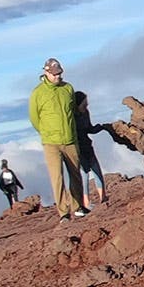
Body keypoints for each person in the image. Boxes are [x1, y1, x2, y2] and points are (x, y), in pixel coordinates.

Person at [28, 58, 88, 220]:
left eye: (59, 73)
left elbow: (72, 112)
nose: (57, 76)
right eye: (54, 74)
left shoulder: (68, 88)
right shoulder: (38, 93)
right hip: (51, 143)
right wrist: (46, 133)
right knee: (57, 178)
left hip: (70, 139)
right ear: (46, 72)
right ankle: (63, 213)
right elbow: (34, 118)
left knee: (76, 174)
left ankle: (78, 207)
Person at [69, 89, 107, 208]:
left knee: (97, 171)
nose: (86, 106)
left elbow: (89, 128)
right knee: (84, 174)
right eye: (84, 104)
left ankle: (103, 197)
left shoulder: (85, 113)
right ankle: (86, 202)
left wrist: (102, 127)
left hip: (87, 145)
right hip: (78, 148)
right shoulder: (71, 117)